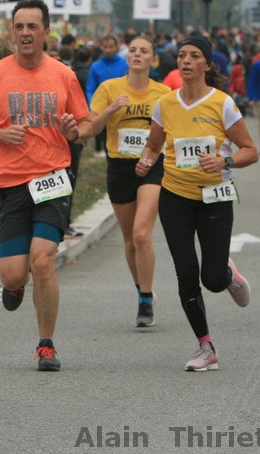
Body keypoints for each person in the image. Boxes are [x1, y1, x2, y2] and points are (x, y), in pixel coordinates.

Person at [0, 0, 92, 372]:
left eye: (32, 26)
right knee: (13, 272)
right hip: (11, 183)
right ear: (11, 31)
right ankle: (15, 284)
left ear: (46, 33)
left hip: (52, 179)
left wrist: (74, 130)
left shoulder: (63, 75)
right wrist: (0, 134)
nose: (25, 33)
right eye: (19, 26)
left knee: (42, 260)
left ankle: (46, 345)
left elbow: (85, 123)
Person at [136, 35, 257, 371]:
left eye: (193, 56)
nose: (185, 61)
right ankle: (205, 347)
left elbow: (250, 151)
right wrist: (146, 160)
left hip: (215, 197)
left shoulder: (222, 103)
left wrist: (224, 162)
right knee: (186, 272)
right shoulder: (165, 104)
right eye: (181, 56)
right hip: (175, 196)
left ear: (206, 64)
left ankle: (228, 274)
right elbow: (153, 146)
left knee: (212, 279)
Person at [87, 35, 171, 327]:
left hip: (151, 165)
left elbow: (172, 131)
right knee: (129, 240)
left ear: (153, 59)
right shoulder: (109, 89)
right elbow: (90, 128)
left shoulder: (163, 93)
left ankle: (145, 301)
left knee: (141, 233)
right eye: (133, 50)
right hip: (119, 167)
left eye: (144, 51)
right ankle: (141, 289)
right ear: (127, 58)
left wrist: (154, 154)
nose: (137, 54)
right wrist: (111, 109)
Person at [86, 35, 129, 155]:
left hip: (121, 108)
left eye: (111, 47)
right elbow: (90, 88)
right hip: (102, 108)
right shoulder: (95, 66)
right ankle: (100, 149)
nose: (108, 50)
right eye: (105, 47)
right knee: (103, 135)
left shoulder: (125, 64)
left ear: (116, 47)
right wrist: (93, 106)